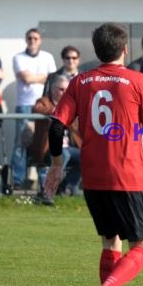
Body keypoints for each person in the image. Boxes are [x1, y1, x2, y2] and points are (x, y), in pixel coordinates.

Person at [44, 23, 143, 286]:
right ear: (125, 50)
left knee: (110, 243)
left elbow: (56, 127)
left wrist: (57, 165)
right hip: (128, 174)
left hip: (94, 176)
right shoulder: (138, 80)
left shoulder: (80, 81)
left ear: (96, 50)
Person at [11, 28, 57, 189]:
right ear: (26, 40)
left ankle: (43, 182)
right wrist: (40, 77)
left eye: (35, 38)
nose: (32, 41)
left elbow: (52, 79)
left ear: (40, 40)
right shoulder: (18, 57)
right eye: (30, 38)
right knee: (21, 143)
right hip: (24, 104)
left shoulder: (48, 57)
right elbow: (27, 78)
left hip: (42, 106)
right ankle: (17, 180)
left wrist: (34, 78)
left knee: (42, 143)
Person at [30, 75, 82, 204]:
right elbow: (37, 109)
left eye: (66, 89)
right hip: (48, 147)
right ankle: (47, 192)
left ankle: (66, 188)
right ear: (52, 89)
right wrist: (58, 111)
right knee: (62, 154)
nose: (64, 92)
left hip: (69, 147)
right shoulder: (44, 101)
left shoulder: (72, 103)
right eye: (61, 89)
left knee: (86, 156)